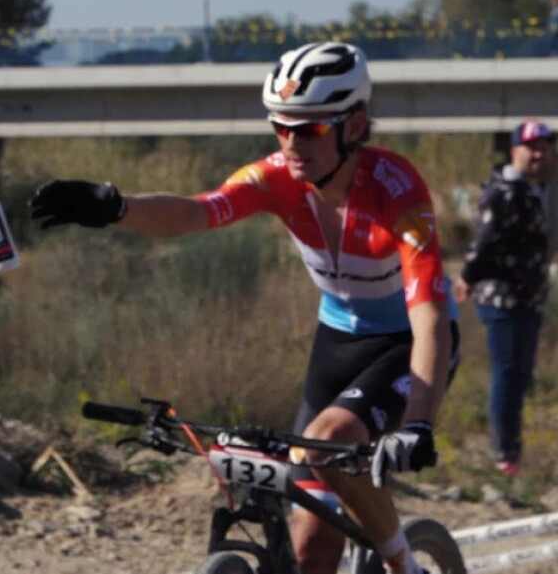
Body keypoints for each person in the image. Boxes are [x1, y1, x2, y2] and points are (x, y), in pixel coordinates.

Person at [28, 42, 459, 574]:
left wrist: (418, 424)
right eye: (280, 127)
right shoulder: (277, 178)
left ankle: (405, 566)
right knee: (311, 549)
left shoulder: (398, 189)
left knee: (326, 441)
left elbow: (430, 316)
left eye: (309, 129)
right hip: (339, 341)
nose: (292, 143)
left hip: (409, 342)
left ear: (354, 126)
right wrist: (117, 207)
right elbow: (197, 212)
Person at [455, 119, 556, 478]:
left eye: (543, 148)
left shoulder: (533, 190)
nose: (538, 155)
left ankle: (512, 449)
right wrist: (467, 277)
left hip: (527, 299)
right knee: (507, 374)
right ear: (515, 151)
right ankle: (504, 454)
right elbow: (484, 241)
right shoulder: (503, 191)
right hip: (501, 300)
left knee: (520, 375)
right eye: (531, 148)